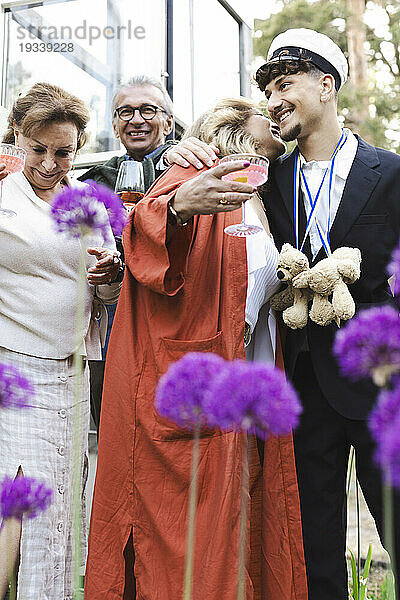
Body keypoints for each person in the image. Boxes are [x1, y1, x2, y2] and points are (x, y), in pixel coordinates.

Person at [169, 28, 400, 600]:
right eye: (266, 88)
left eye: (284, 83)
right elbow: (194, 182)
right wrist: (178, 153)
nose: (272, 99)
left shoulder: (391, 174)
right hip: (299, 390)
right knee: (313, 553)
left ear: (327, 85)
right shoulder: (264, 180)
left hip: (380, 386)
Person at [84, 98, 308, 600]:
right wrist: (181, 203)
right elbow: (142, 226)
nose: (275, 121)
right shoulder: (193, 169)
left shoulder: (263, 195)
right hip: (186, 382)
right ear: (235, 128)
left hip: (245, 386)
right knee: (184, 530)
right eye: (262, 117)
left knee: (235, 525)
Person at [0, 82, 121, 600]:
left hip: (72, 372)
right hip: (16, 369)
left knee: (60, 509)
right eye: (39, 149)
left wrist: (113, 276)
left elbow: (111, 292)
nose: (50, 162)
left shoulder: (90, 203)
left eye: (63, 151)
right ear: (19, 140)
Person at [78, 75, 176, 432]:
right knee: (112, 422)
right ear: (116, 125)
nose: (136, 119)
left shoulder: (188, 167)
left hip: (171, 316)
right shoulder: (94, 180)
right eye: (125, 112)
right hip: (112, 318)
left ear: (168, 121)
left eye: (147, 110)